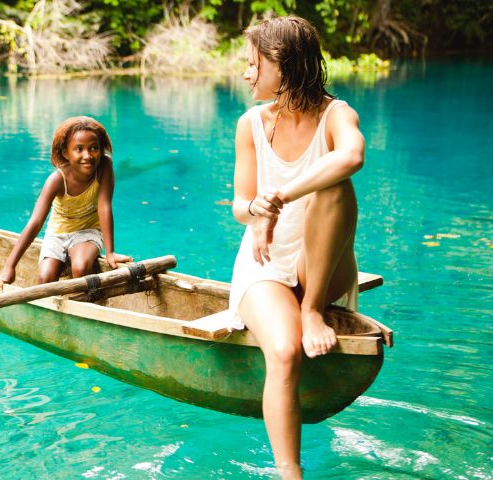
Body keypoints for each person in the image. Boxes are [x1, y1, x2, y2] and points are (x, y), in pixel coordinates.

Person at [229, 16, 366, 479]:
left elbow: (351, 157)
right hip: (264, 265)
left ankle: (311, 310)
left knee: (335, 183)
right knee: (285, 352)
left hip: (321, 268)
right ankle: (290, 473)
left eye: (254, 64)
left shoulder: (337, 115)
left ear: (283, 66)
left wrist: (282, 197)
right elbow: (239, 206)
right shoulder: (250, 125)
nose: (247, 74)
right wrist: (259, 210)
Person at [0, 116, 131, 293]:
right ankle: (65, 265)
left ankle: (82, 299)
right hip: (58, 234)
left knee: (80, 268)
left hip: (88, 231)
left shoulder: (104, 166)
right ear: (66, 153)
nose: (87, 156)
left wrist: (110, 252)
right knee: (45, 279)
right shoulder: (57, 180)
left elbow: (104, 206)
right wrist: (9, 267)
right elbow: (35, 222)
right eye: (79, 149)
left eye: (93, 148)